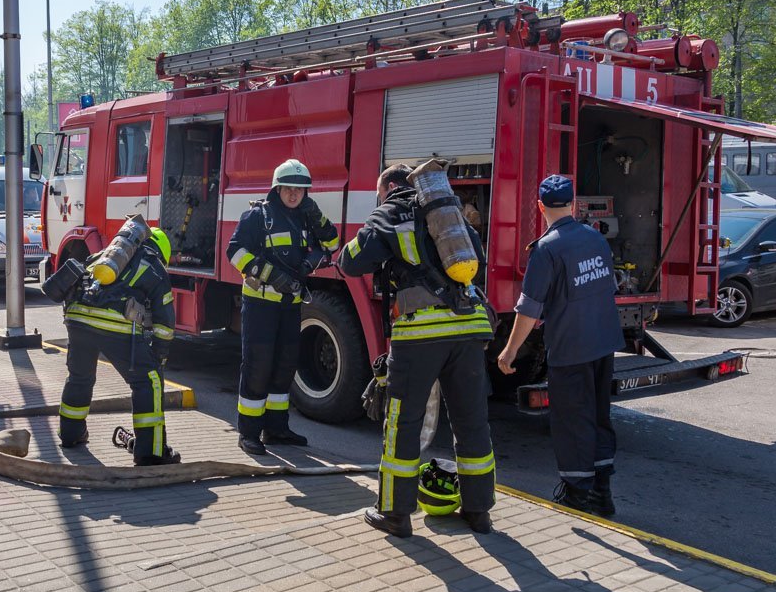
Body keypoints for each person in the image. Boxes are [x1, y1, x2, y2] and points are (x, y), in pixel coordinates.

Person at [338, 163, 497, 538]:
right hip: (470, 327)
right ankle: (479, 512)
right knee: (471, 420)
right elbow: (478, 259)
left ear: (389, 187)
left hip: (422, 331)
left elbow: (350, 263)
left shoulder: (389, 211)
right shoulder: (450, 212)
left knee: (403, 424)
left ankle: (393, 513)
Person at [496, 174, 624, 517]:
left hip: (571, 349)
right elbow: (606, 287)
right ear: (573, 204)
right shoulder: (595, 239)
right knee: (598, 415)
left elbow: (529, 309)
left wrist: (509, 352)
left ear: (540, 207)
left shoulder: (546, 249)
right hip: (603, 343)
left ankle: (577, 495)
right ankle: (602, 491)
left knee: (571, 421)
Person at [226, 159, 338, 455]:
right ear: (277, 189)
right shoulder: (257, 216)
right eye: (288, 189)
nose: (293, 195)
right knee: (257, 367)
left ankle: (276, 429)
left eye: (299, 190)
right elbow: (234, 251)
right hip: (261, 305)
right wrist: (270, 275)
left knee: (285, 367)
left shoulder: (305, 218)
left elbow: (333, 242)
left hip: (291, 306)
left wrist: (315, 220)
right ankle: (249, 432)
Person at [52, 227, 180, 465]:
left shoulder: (104, 255)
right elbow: (165, 321)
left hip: (77, 319)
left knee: (79, 377)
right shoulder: (153, 265)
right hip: (113, 324)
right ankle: (150, 453)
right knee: (148, 381)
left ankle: (70, 434)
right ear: (161, 251)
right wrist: (159, 356)